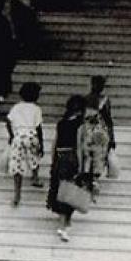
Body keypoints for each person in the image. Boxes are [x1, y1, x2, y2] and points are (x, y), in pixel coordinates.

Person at [49, 95, 87, 242]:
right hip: (71, 158)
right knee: (69, 193)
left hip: (60, 158)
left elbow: (55, 142)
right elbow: (79, 145)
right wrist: (81, 166)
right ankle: (63, 226)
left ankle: (64, 222)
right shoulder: (80, 124)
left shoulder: (61, 123)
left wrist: (53, 161)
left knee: (61, 191)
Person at [3, 82, 45, 210]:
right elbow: (38, 127)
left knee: (17, 164)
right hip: (31, 134)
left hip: (19, 136)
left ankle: (17, 195)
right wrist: (42, 144)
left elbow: (8, 121)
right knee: (34, 156)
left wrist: (11, 135)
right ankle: (35, 177)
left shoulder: (16, 107)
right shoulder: (36, 108)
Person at [78, 86, 113, 200]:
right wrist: (112, 137)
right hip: (99, 134)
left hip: (87, 134)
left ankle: (86, 188)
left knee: (87, 160)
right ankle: (94, 189)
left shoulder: (85, 100)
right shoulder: (103, 101)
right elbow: (108, 120)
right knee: (97, 161)